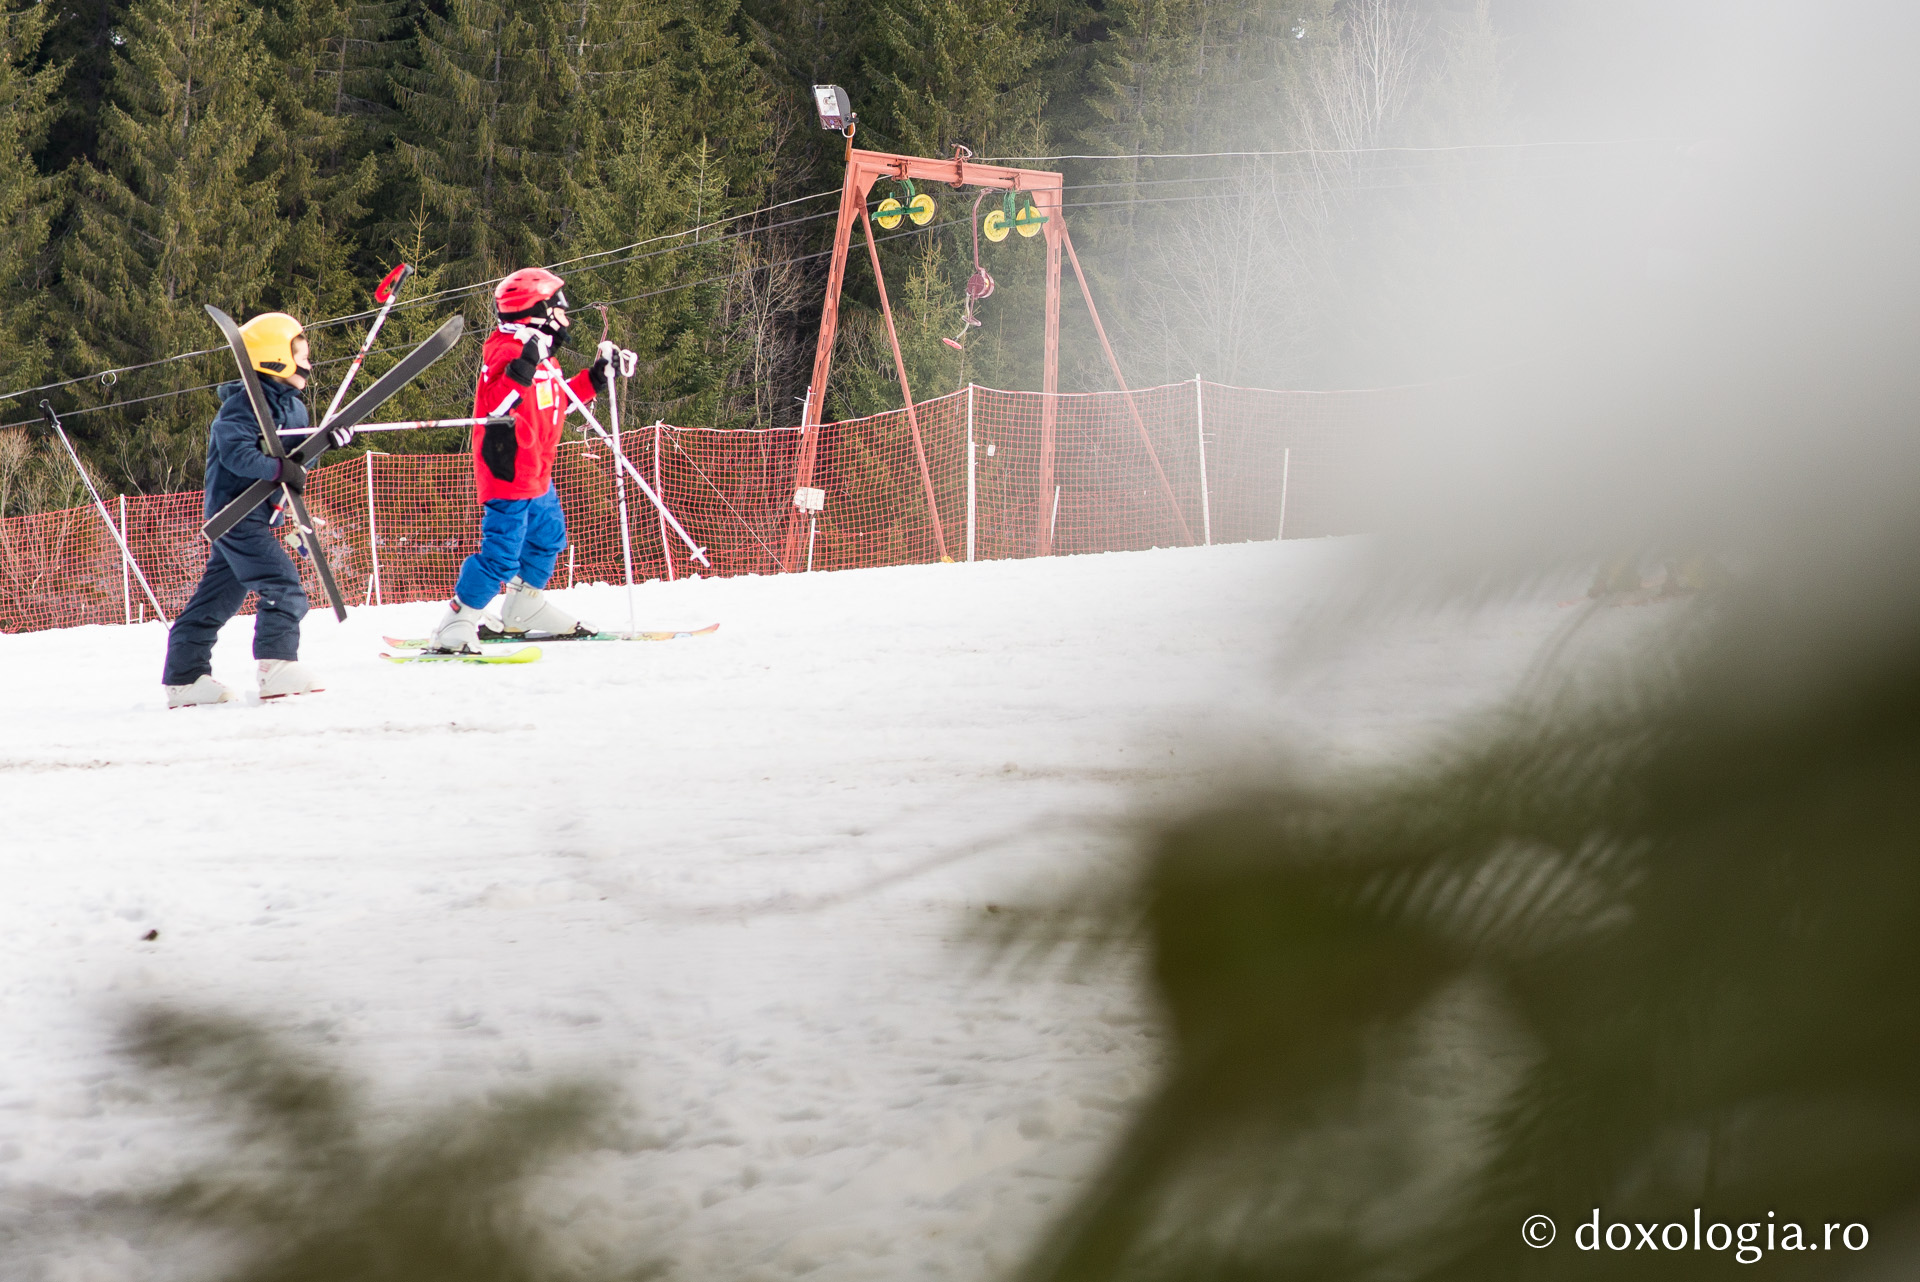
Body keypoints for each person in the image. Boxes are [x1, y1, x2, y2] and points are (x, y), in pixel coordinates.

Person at [162, 312, 351, 707]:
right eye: (301, 355)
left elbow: (295, 463)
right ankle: (276, 667)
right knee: (282, 586)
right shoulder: (243, 406)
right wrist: (279, 467)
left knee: (217, 601)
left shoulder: (294, 408)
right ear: (276, 358)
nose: (309, 364)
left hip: (262, 517)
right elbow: (237, 454)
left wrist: (328, 440)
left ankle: (184, 678)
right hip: (236, 516)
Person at [428, 267, 611, 652]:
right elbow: (496, 405)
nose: (567, 320)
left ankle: (523, 607)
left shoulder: (546, 358)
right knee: (501, 555)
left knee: (548, 537)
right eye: (561, 311)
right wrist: (525, 363)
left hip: (538, 472)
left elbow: (558, 401)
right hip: (508, 469)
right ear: (538, 312)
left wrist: (596, 377)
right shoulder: (506, 349)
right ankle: (456, 622)